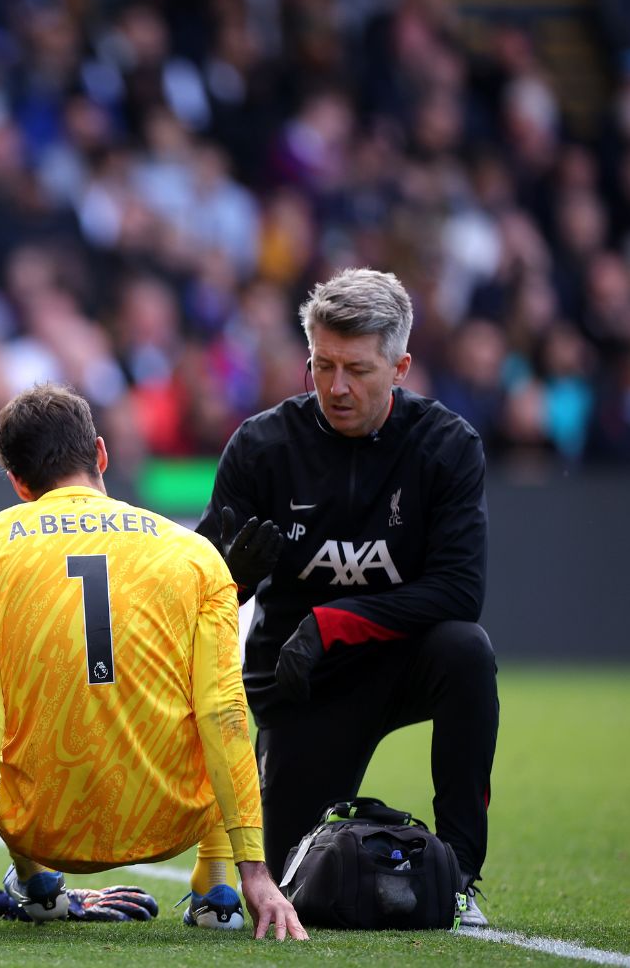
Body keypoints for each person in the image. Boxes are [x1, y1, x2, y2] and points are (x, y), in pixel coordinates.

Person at [0, 384, 305, 941]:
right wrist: (258, 874)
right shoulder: (196, 557)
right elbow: (224, 713)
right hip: (174, 820)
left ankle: (35, 880)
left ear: (18, 483)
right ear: (101, 453)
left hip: (41, 825)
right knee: (213, 685)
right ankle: (216, 882)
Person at [194, 268, 498, 927]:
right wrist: (229, 574)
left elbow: (460, 590)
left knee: (467, 651)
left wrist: (336, 622)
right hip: (299, 685)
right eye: (322, 365)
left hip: (401, 663)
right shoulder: (261, 445)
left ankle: (460, 879)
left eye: (357, 369)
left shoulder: (447, 446)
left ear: (401, 365)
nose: (336, 387)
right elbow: (199, 590)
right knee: (295, 887)